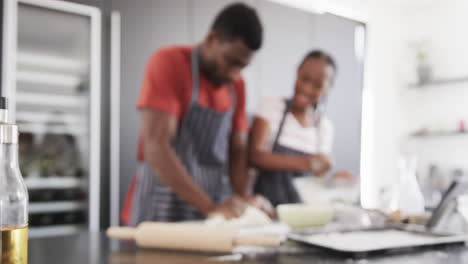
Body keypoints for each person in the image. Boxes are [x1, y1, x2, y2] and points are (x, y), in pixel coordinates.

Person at [127, 3, 272, 225]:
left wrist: (243, 199)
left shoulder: (237, 87)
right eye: (231, 62)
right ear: (212, 39)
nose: (235, 74)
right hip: (160, 205)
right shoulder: (169, 62)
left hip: (209, 206)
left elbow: (238, 149)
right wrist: (211, 208)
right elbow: (156, 145)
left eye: (242, 67)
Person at [249, 50, 339, 207]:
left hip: (304, 213)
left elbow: (318, 179)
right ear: (297, 72)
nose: (307, 88)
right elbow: (255, 157)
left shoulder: (324, 128)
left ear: (329, 87)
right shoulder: (271, 105)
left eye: (317, 85)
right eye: (304, 79)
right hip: (265, 208)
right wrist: (307, 163)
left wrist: (335, 178)